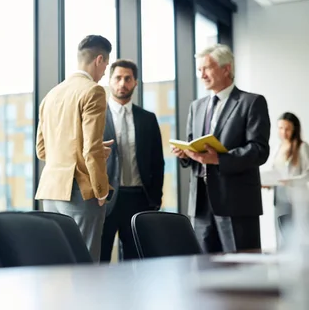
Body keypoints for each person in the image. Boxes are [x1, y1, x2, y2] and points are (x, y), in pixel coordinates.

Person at [172, 44, 270, 253]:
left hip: (237, 203)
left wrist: (219, 159)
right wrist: (185, 155)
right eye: (199, 70)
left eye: (206, 68)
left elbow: (259, 150)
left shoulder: (251, 102)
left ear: (226, 69)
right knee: (205, 270)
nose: (202, 75)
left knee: (242, 269)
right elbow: (192, 145)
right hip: (201, 205)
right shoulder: (196, 107)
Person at [35, 35, 114, 262]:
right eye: (106, 66)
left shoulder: (51, 95)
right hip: (80, 190)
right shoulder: (94, 91)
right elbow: (90, 151)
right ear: (99, 59)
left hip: (51, 190)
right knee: (86, 264)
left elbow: (42, 150)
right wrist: (102, 191)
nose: (104, 73)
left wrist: (88, 150)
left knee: (58, 262)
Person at [99, 60, 164, 262]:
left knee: (136, 261)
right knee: (100, 259)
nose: (122, 83)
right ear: (110, 81)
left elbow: (157, 162)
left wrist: (155, 197)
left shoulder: (147, 119)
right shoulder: (97, 117)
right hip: (105, 200)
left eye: (128, 78)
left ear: (135, 82)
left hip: (138, 199)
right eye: (118, 78)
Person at [272, 112, 309, 244]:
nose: (283, 132)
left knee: (296, 235)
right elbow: (275, 172)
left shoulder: (302, 147)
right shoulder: (278, 148)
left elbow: (307, 175)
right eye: (280, 128)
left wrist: (290, 181)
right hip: (279, 197)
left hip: (295, 197)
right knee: (281, 234)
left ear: (294, 129)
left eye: (287, 129)